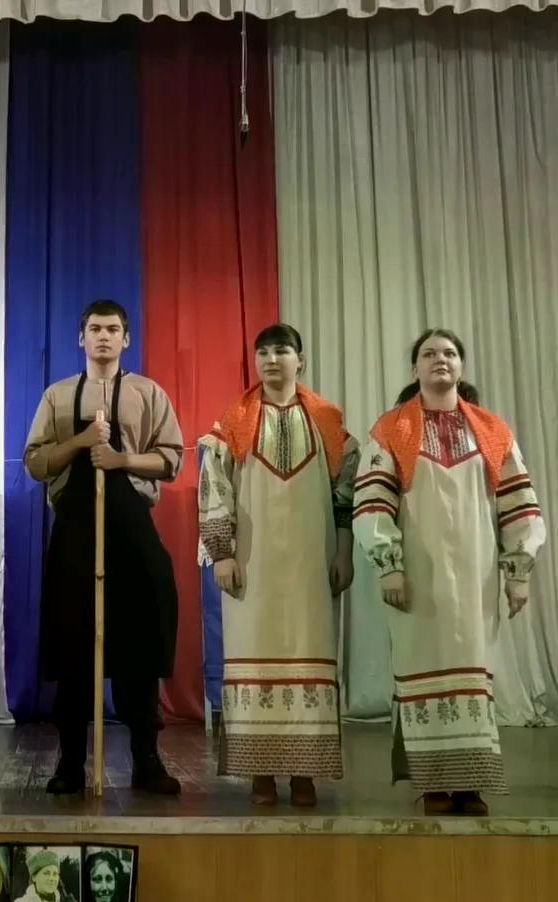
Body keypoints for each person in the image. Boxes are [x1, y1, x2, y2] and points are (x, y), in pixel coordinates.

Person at [353, 328, 545, 816]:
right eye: (429, 353)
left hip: (476, 575)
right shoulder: (392, 429)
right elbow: (372, 502)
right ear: (414, 368)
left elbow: (518, 502)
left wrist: (518, 570)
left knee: (473, 672)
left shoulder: (492, 430)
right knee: (422, 670)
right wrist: (389, 565)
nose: (440, 359)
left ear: (461, 365)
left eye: (450, 353)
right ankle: (434, 782)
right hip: (419, 574)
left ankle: (471, 783)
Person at [24, 299, 184, 797]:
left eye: (113, 329)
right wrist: (80, 443)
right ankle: (71, 762)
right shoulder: (57, 395)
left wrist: (120, 459)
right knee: (74, 641)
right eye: (94, 328)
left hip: (130, 529)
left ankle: (146, 760)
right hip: (75, 531)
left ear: (125, 339)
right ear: (81, 338)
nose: (103, 336)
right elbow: (35, 462)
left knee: (140, 636)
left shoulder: (147, 392)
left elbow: (171, 459)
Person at [197, 323, 358, 807]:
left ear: (299, 360)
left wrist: (344, 551)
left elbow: (345, 495)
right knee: (253, 652)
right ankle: (260, 772)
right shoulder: (234, 420)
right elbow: (214, 488)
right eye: (263, 352)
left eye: (282, 351)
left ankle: (305, 772)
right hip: (253, 564)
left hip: (311, 563)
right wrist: (222, 553)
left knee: (311, 651)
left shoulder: (327, 421)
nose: (271, 359)